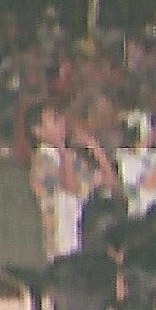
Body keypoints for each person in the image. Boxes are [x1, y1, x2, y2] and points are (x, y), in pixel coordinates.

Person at [27, 101, 114, 261]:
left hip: (84, 230)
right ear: (38, 131)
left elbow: (109, 182)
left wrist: (95, 148)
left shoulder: (73, 157)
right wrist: (62, 150)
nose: (62, 123)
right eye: (55, 120)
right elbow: (70, 189)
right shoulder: (41, 161)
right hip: (61, 237)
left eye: (61, 118)